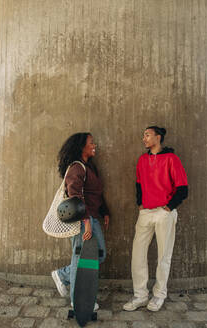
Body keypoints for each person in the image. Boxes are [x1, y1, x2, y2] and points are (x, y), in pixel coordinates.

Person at [123, 126, 188, 312]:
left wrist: (169, 207)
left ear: (158, 138)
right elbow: (138, 184)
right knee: (138, 254)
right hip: (145, 213)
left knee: (163, 256)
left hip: (164, 212)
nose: (144, 138)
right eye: (143, 134)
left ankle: (159, 295)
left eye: (147, 135)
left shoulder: (171, 159)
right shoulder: (142, 160)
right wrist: (140, 204)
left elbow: (183, 188)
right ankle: (140, 295)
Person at [51, 132, 110, 311]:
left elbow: (95, 193)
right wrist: (85, 222)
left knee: (99, 255)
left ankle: (63, 275)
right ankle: (79, 301)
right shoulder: (77, 168)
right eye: (91, 143)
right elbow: (75, 196)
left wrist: (104, 211)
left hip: (91, 217)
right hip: (82, 221)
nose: (94, 145)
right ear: (81, 147)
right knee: (80, 259)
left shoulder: (89, 167)